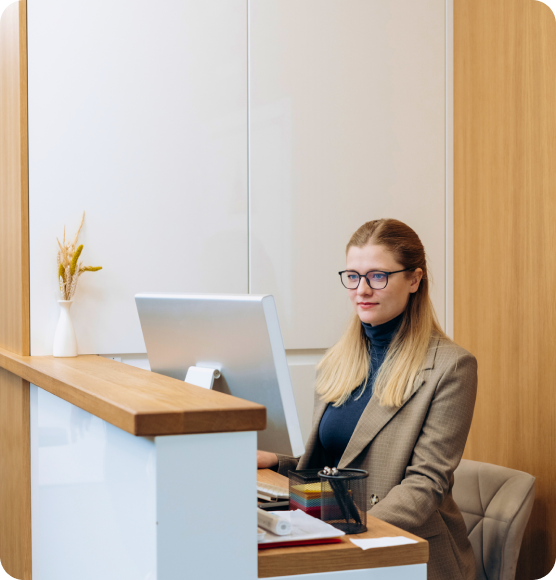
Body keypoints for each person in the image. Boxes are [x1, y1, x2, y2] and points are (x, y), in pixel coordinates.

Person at [257, 218, 477, 580]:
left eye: (378, 276)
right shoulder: (337, 361)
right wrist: (279, 464)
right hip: (337, 532)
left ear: (414, 280)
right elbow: (338, 465)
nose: (362, 289)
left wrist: (349, 533)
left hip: (406, 548)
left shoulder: (451, 367)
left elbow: (426, 485)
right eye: (353, 276)